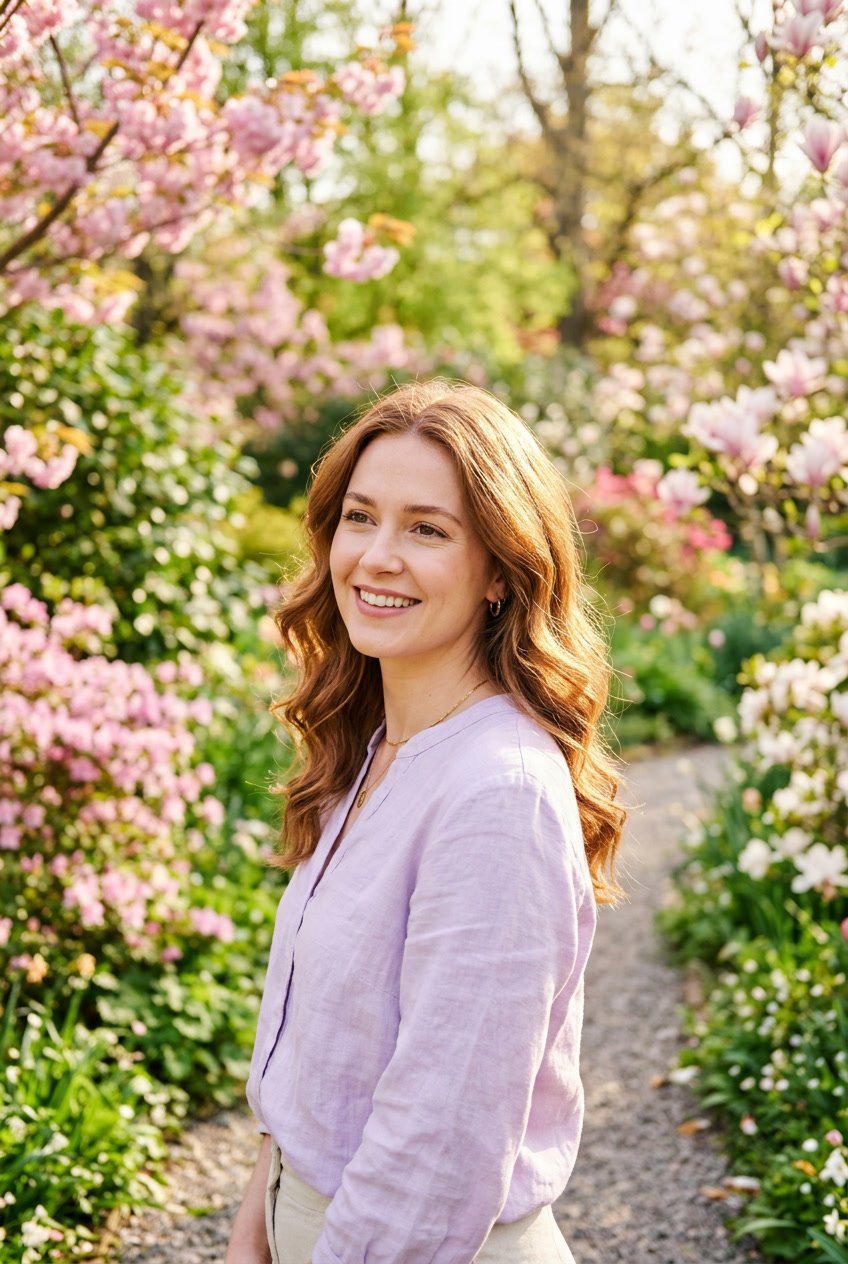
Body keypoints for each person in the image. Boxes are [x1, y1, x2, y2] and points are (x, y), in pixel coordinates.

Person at [224, 379, 625, 1264]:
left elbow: (438, 1148)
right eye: (359, 517)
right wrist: (255, 1224)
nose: (375, 557)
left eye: (428, 529)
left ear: (499, 572)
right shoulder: (375, 748)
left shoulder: (498, 794)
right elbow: (314, 1048)